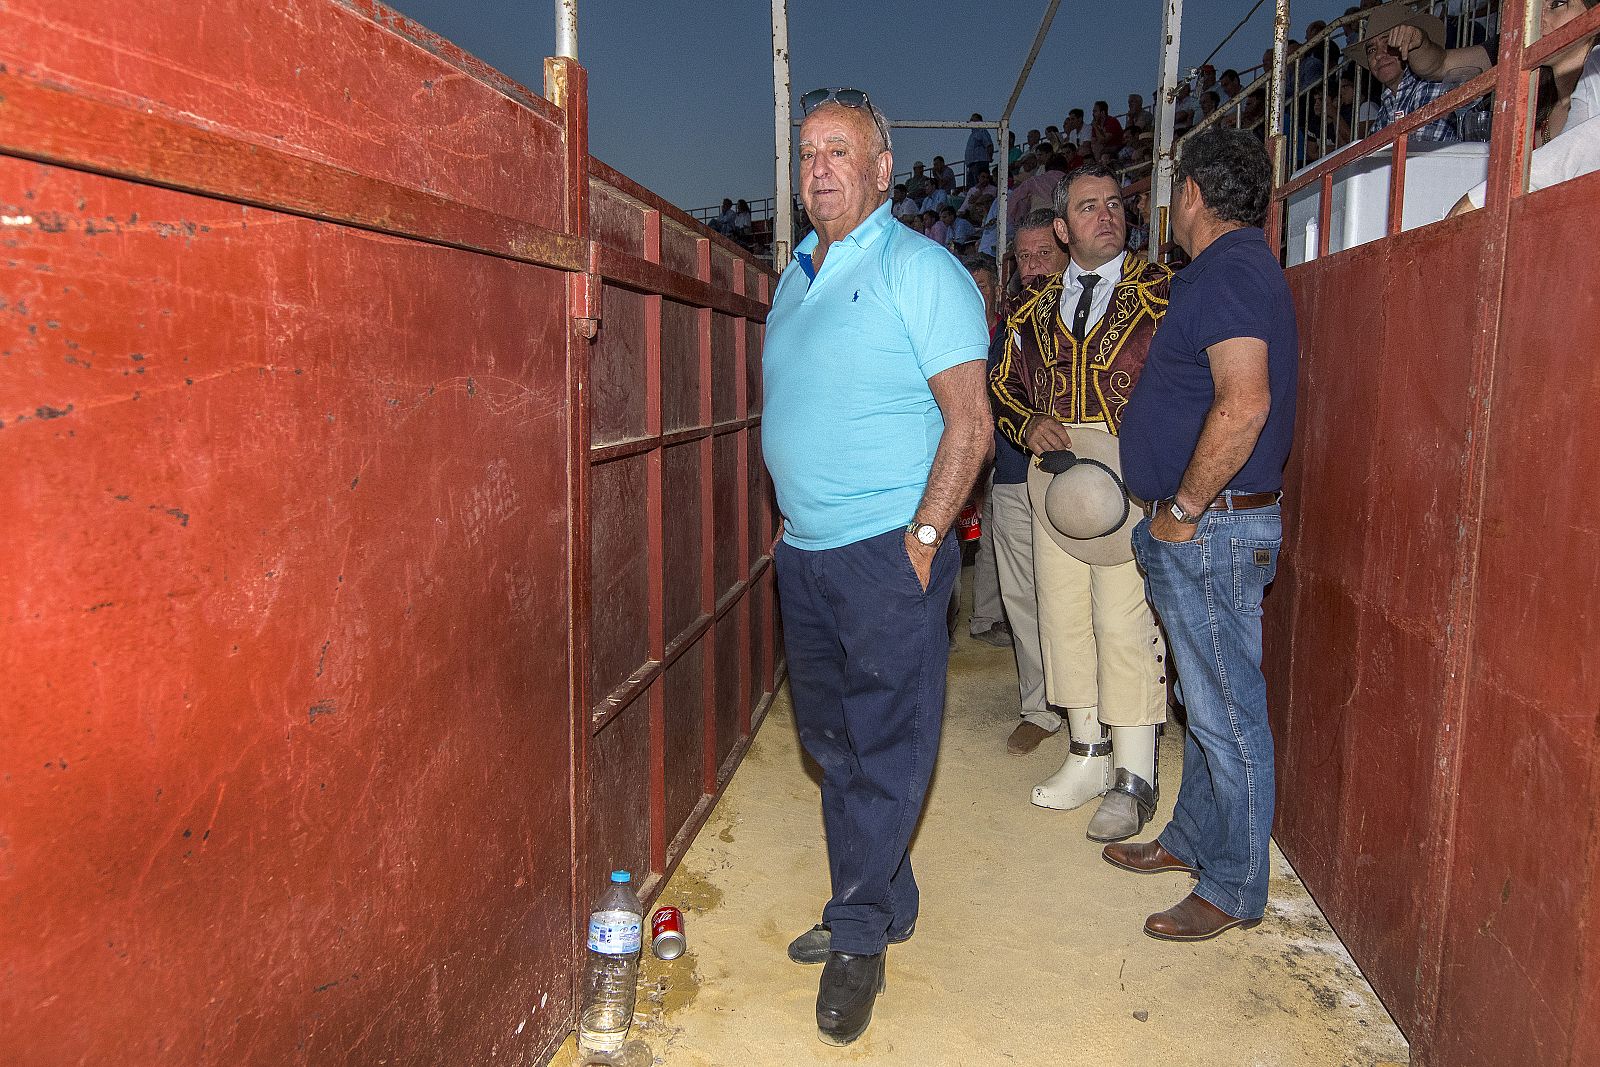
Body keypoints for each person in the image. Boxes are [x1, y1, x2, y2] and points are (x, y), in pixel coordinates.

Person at [765, 87, 991, 1045]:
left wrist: (926, 536)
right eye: (808, 153)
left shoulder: (920, 268)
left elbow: (970, 424)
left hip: (886, 551)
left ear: (883, 167)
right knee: (832, 741)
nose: (820, 169)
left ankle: (860, 933)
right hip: (806, 553)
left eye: (839, 152)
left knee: (884, 742)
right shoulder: (796, 271)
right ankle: (887, 892)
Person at [1108, 128, 1299, 943]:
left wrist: (1181, 509)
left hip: (1210, 529)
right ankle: (1193, 839)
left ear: (1189, 193)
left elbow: (1244, 402)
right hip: (1205, 528)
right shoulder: (1229, 272)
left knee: (1227, 713)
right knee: (1205, 698)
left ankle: (1234, 885)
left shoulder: (1229, 273)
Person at [989, 162, 1175, 842]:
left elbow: (1187, 381)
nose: (1108, 215)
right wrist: (1028, 423)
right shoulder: (1032, 310)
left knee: (1125, 620)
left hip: (1129, 473)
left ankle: (1134, 771)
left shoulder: (1163, 292)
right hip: (1054, 477)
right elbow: (1004, 387)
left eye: (1116, 204)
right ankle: (1087, 750)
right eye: (1090, 207)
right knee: (1062, 616)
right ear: (1064, 228)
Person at [977, 210, 1066, 738]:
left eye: (1043, 255)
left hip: (1080, 476)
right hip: (1014, 475)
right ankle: (1040, 708)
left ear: (1064, 250)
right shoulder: (1010, 318)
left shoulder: (1093, 308)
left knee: (1080, 598)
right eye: (1025, 257)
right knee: (1024, 598)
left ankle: (1090, 708)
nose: (1033, 267)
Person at [1346, 3, 1459, 142]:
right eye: (1371, 50)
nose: (1379, 55)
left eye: (1388, 44)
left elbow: (1419, 154)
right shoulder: (1388, 103)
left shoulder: (1431, 85)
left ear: (1410, 44)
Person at [965, 114, 995, 188]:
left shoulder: (982, 131)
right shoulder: (972, 135)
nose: (971, 121)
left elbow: (989, 145)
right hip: (971, 165)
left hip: (979, 163)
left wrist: (990, 157)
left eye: (974, 120)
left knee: (979, 185)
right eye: (971, 120)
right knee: (972, 188)